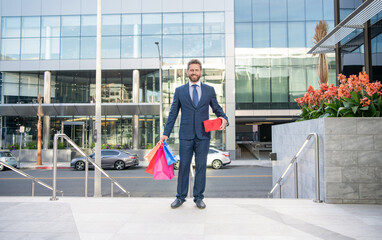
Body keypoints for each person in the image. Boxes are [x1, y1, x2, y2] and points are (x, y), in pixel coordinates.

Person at [160, 59, 228, 209]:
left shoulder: (209, 90)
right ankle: (180, 197)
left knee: (202, 167)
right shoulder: (180, 91)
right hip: (185, 135)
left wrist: (225, 118)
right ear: (187, 72)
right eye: (191, 70)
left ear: (200, 72)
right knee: (184, 166)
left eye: (196, 70)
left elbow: (217, 108)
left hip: (203, 136)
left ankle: (198, 198)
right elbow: (173, 113)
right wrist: (166, 133)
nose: (194, 73)